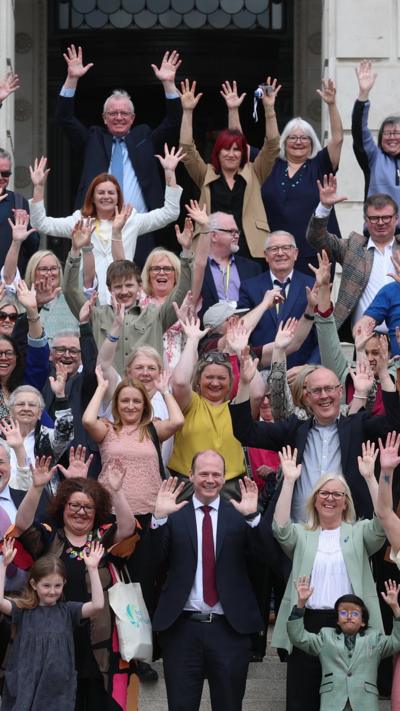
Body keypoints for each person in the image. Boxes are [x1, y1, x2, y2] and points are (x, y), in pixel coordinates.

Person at [14, 458, 138, 711]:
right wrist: (36, 488)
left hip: (97, 641)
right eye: (74, 505)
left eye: (88, 507)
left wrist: (117, 491)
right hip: (53, 641)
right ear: (63, 507)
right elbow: (23, 525)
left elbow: (127, 529)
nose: (80, 512)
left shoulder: (102, 537)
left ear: (97, 511)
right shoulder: (49, 536)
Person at [270, 444, 386, 711]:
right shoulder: (302, 534)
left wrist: (370, 477)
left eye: (337, 494)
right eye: (324, 493)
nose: (330, 498)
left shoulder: (359, 533)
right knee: (302, 701)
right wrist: (288, 482)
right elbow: (280, 528)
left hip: (348, 625)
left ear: (346, 501)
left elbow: (383, 521)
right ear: (315, 498)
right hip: (307, 624)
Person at [151, 452, 263, 711]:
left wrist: (253, 520)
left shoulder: (240, 512)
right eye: (203, 473)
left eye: (216, 474)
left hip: (229, 630)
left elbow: (265, 559)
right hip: (182, 628)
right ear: (191, 475)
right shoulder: (174, 513)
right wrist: (159, 519)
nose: (210, 479)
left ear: (224, 479)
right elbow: (153, 560)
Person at [229, 352, 400, 520]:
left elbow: (394, 424)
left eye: (329, 389)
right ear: (307, 397)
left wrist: (384, 375)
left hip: (349, 533)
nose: (324, 395)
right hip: (301, 534)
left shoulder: (358, 426)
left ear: (340, 391)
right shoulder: (294, 430)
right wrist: (244, 384)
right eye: (317, 391)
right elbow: (245, 432)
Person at [55, 45, 182, 263]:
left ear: (132, 118)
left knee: (141, 288)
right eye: (113, 113)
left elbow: (173, 121)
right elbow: (65, 119)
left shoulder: (144, 138)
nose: (119, 117)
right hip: (96, 229)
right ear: (104, 118)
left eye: (124, 113)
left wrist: (169, 84)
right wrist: (72, 79)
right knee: (95, 287)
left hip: (138, 227)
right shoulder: (93, 139)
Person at [28, 146, 184, 304]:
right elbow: (40, 223)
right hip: (88, 298)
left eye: (111, 193)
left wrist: (170, 173)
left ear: (118, 197)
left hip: (123, 297)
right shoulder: (79, 221)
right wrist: (39, 188)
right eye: (101, 193)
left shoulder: (131, 220)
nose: (106, 197)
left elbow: (170, 213)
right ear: (92, 197)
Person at [226, 78, 343, 274]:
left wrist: (331, 104)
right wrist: (233, 109)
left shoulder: (320, 164)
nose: (298, 142)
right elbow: (238, 146)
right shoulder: (270, 163)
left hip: (313, 254)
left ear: (312, 142)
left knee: (313, 304)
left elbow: (338, 139)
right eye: (293, 137)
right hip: (273, 254)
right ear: (284, 141)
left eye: (304, 137)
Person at [62, 215, 195, 375]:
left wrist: (187, 252)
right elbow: (70, 290)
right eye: (118, 287)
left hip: (148, 393)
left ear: (140, 287)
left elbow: (183, 290)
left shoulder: (156, 315)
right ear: (110, 289)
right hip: (109, 393)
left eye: (129, 285)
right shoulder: (96, 315)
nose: (124, 292)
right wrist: (75, 250)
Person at [178, 77, 280, 259]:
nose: (231, 154)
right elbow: (187, 149)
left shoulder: (254, 172)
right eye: (226, 149)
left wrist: (269, 109)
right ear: (217, 152)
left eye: (236, 150)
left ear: (243, 153)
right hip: (211, 249)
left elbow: (272, 145)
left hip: (249, 250)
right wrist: (187, 111)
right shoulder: (206, 174)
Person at [0, 537, 104, 711]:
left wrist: (93, 569)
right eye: (46, 585)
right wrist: (4, 566)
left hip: (57, 689)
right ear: (34, 584)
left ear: (64, 584)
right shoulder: (24, 610)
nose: (52, 591)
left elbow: (98, 605)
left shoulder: (68, 611)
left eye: (57, 585)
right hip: (25, 686)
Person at [168, 317, 264, 501]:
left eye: (221, 378)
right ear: (198, 380)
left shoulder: (237, 409)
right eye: (209, 377)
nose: (215, 383)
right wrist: (193, 339)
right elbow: (179, 382)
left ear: (231, 382)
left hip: (231, 487)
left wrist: (242, 352)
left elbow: (258, 393)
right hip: (187, 486)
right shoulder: (190, 404)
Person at [83, 366, 184, 519]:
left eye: (136, 401)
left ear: (144, 405)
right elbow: (88, 421)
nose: (130, 406)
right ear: (116, 404)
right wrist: (102, 388)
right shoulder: (107, 429)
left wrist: (165, 391)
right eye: (125, 401)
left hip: (150, 510)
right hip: (111, 510)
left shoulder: (153, 429)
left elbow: (177, 421)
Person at [287, 576, 400, 711]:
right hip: (333, 703)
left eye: (355, 613)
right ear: (337, 621)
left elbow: (396, 641)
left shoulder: (374, 637)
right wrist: (300, 605)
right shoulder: (325, 637)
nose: (349, 616)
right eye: (344, 612)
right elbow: (297, 637)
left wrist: (395, 607)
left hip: (364, 703)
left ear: (363, 621)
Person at [306, 173, 400, 331]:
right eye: (374, 218)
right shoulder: (353, 247)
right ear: (365, 220)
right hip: (363, 339)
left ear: (396, 219)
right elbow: (316, 238)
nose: (381, 223)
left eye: (386, 217)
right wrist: (325, 207)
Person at [238, 230, 318, 366]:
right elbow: (242, 331)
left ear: (296, 253)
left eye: (286, 248)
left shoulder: (312, 285)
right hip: (260, 369)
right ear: (266, 255)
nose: (280, 253)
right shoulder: (249, 286)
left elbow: (324, 334)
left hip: (301, 372)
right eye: (274, 249)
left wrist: (310, 367)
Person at [0, 382, 74, 492]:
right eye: (20, 404)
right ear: (11, 411)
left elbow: (65, 433)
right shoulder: (1, 436)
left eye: (32, 405)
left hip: (41, 501)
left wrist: (60, 397)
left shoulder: (47, 437)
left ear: (40, 413)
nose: (26, 408)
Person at [196, 210, 262, 321]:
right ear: (214, 236)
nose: (236, 236)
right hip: (208, 333)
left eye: (237, 232)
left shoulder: (253, 269)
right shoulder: (198, 267)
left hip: (245, 332)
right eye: (231, 232)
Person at [352, 59, 400, 211]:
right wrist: (363, 94)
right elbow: (359, 131)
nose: (392, 137)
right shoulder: (374, 157)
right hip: (379, 229)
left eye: (397, 133)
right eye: (387, 133)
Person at [0, 148, 39, 276]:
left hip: (11, 283)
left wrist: (26, 231)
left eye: (5, 174)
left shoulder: (19, 201)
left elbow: (33, 248)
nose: (1, 177)